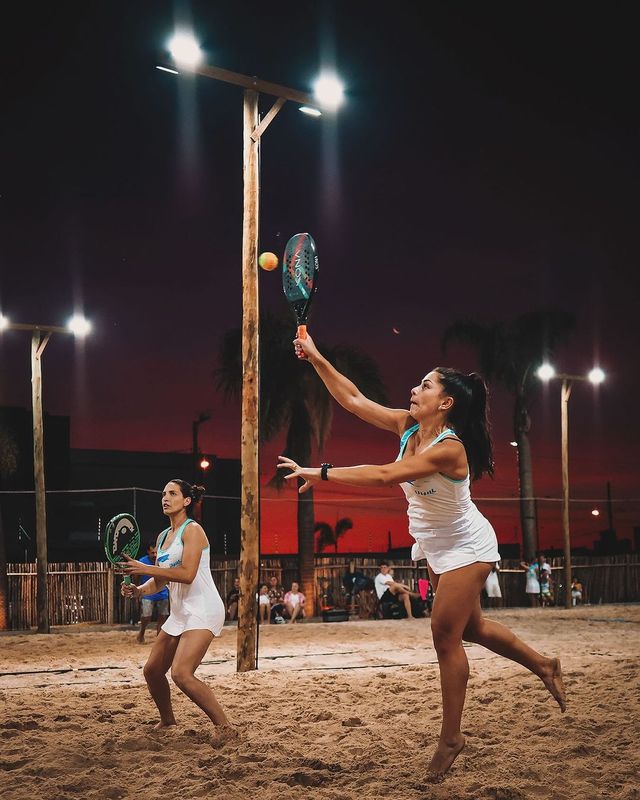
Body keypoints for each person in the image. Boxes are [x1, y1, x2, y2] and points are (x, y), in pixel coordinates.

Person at [277, 334, 566, 781]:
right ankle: (544, 665)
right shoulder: (408, 428)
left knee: (444, 634)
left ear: (445, 402)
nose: (414, 390)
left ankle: (451, 738)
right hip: (435, 543)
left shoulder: (449, 448)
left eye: (425, 386)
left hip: (468, 545)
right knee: (474, 628)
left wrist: (322, 471)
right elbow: (353, 398)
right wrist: (316, 358)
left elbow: (386, 475)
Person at [119, 479, 233, 736]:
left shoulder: (193, 530)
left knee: (181, 673)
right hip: (181, 611)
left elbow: (187, 573)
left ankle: (225, 727)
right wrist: (138, 590)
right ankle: (168, 720)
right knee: (152, 671)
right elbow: (161, 580)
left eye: (172, 493)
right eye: (163, 494)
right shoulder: (162, 537)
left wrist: (145, 567)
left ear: (187, 501)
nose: (165, 498)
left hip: (203, 608)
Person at [136, 542, 170, 644]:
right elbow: (137, 576)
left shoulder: (163, 560)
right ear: (148, 552)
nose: (154, 555)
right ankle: (141, 633)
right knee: (146, 616)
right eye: (152, 553)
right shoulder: (142, 562)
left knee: (162, 616)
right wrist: (138, 590)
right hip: (148, 592)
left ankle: (159, 638)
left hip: (162, 591)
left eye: (156, 552)